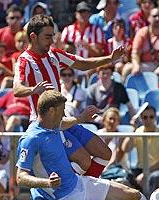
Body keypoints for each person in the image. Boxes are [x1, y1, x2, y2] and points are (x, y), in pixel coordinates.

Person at [16, 90, 159, 200]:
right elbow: (21, 177)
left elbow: (64, 123)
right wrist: (47, 183)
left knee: (134, 195)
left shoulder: (53, 125)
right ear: (51, 111)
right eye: (62, 110)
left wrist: (81, 118)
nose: (64, 114)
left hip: (80, 183)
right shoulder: (31, 139)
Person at [13, 14, 125, 178]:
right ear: (33, 37)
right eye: (48, 36)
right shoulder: (25, 61)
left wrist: (110, 59)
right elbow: (16, 89)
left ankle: (78, 190)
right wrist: (32, 90)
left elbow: (82, 63)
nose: (52, 40)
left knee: (104, 153)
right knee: (85, 161)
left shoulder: (54, 55)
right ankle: (64, 193)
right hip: (48, 126)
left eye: (53, 36)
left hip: (64, 120)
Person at [122, 105, 159, 194]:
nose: (148, 120)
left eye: (151, 117)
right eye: (145, 117)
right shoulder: (138, 131)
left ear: (155, 117)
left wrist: (145, 173)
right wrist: (133, 130)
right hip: (140, 169)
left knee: (154, 177)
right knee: (125, 177)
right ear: (141, 118)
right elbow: (125, 149)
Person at [122, 7, 159, 80]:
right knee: (128, 68)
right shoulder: (142, 33)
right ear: (149, 18)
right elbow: (135, 53)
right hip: (145, 64)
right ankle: (123, 90)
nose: (157, 19)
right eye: (154, 16)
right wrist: (136, 65)